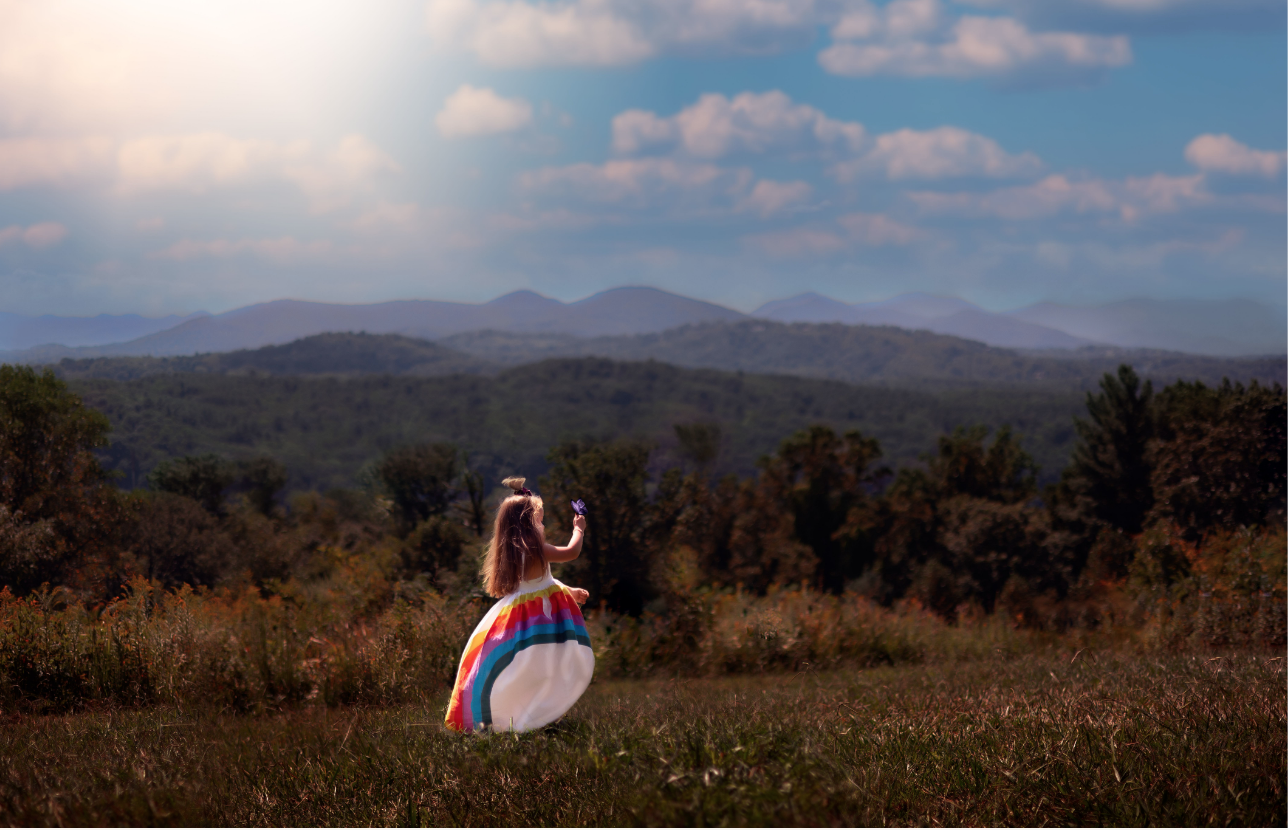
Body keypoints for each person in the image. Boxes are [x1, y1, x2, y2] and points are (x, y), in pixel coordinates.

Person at [444, 477, 595, 732]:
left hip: (518, 614)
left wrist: (568, 590)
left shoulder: (515, 550)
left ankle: (526, 712)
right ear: (527, 523)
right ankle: (535, 713)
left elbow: (540, 580)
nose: (542, 524)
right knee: (547, 662)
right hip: (540, 616)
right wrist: (578, 528)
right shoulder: (534, 548)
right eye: (539, 519)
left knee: (526, 665)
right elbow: (571, 552)